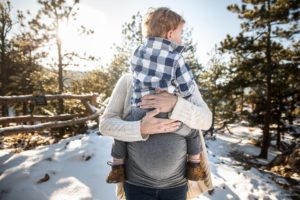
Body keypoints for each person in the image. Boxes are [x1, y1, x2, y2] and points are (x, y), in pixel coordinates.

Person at [100, 7, 213, 200]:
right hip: (136, 184)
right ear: (170, 34)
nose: (182, 39)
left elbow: (205, 121)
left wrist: (176, 104)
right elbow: (105, 125)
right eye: (181, 34)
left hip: (176, 184)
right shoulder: (128, 82)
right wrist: (140, 128)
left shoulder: (180, 84)